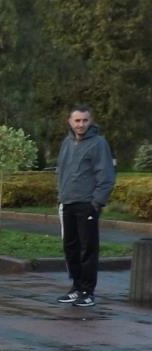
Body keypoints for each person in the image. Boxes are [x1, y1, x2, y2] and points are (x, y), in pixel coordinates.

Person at [56, 104, 115, 308]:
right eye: (77, 120)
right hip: (68, 203)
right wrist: (61, 196)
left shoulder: (99, 143)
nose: (81, 124)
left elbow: (106, 176)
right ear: (70, 122)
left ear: (90, 121)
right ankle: (76, 287)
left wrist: (96, 203)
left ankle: (87, 291)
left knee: (87, 249)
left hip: (87, 205)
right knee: (70, 248)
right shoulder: (67, 142)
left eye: (84, 120)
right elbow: (61, 171)